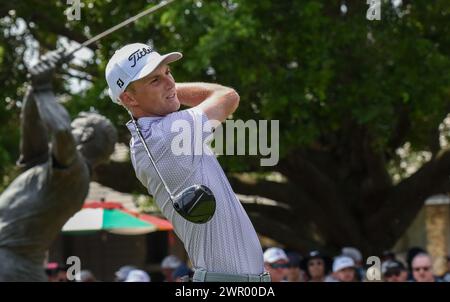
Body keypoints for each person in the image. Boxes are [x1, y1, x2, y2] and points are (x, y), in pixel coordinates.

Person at [105, 43, 268, 282]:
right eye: (154, 80)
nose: (170, 82)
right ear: (129, 98)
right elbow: (227, 97)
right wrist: (170, 91)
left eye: (168, 72)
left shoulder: (155, 135)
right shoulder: (167, 134)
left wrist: (163, 89)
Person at [0, 50, 117, 281]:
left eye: (76, 126)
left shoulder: (75, 172)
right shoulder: (55, 170)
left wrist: (44, 89)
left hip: (11, 267)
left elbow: (62, 131)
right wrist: (35, 87)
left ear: (84, 135)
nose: (69, 126)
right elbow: (33, 129)